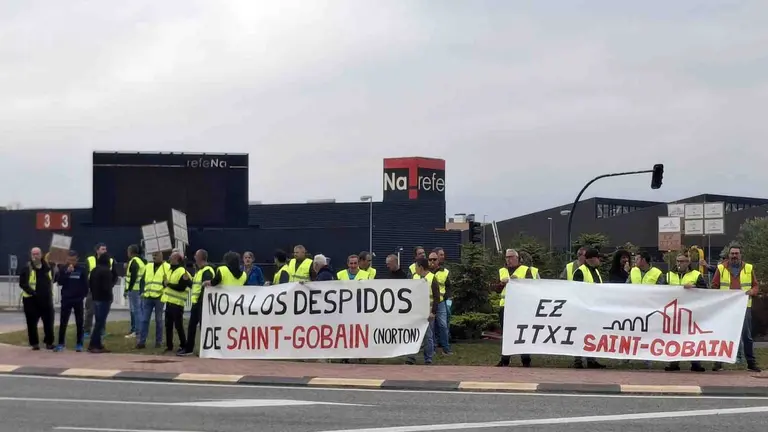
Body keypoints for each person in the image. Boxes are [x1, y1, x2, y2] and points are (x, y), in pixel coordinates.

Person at [711, 245, 762, 373]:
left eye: (736, 253)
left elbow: (756, 286)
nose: (734, 256)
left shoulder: (748, 268)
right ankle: (718, 363)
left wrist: (752, 291)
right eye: (732, 253)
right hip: (725, 308)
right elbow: (714, 285)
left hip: (744, 307)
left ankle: (751, 363)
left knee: (747, 336)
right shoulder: (721, 268)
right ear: (728, 255)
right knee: (722, 334)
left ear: (741, 255)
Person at [496, 248, 539, 367]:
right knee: (506, 333)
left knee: (523, 332)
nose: (508, 259)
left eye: (511, 257)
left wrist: (520, 281)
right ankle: (505, 359)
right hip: (505, 306)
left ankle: (525, 359)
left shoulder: (526, 270)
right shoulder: (502, 271)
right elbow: (493, 288)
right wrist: (501, 284)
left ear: (517, 258)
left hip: (521, 306)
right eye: (507, 257)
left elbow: (533, 286)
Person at [665, 253, 707, 372]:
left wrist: (694, 287)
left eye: (682, 261)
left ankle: (695, 363)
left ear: (688, 262)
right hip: (674, 312)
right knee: (673, 337)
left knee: (692, 337)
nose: (679, 263)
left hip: (691, 312)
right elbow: (661, 290)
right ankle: (673, 363)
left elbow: (705, 291)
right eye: (678, 261)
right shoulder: (669, 275)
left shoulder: (696, 275)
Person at [571, 248, 606, 369]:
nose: (600, 260)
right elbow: (576, 292)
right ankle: (578, 360)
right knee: (580, 335)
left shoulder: (595, 271)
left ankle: (591, 360)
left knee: (592, 335)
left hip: (593, 309)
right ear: (591, 259)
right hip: (582, 309)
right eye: (598, 258)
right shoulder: (580, 272)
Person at [18, 247, 56, 350]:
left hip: (46, 299)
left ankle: (49, 342)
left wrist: (57, 269)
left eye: (37, 254)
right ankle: (34, 343)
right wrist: (33, 293)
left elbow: (54, 279)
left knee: (48, 322)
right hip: (31, 300)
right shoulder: (26, 268)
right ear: (31, 255)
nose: (35, 256)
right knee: (31, 323)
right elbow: (22, 284)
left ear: (41, 254)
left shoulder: (47, 266)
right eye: (33, 254)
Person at [179, 250, 214, 356]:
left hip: (201, 303)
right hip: (196, 303)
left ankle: (205, 349)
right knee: (192, 327)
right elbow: (195, 286)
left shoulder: (207, 271)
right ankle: (189, 349)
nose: (194, 257)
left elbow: (206, 289)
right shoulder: (200, 271)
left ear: (200, 257)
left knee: (203, 327)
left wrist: (200, 301)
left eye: (195, 255)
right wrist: (187, 281)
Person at [406, 257, 439, 365]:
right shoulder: (414, 277)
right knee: (412, 334)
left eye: (416, 266)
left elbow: (436, 297)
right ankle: (411, 357)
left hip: (427, 312)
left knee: (428, 336)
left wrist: (433, 312)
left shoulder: (432, 278)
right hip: (415, 311)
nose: (414, 268)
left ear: (421, 267)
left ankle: (428, 358)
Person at [55, 250, 88, 352]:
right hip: (66, 299)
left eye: (73, 260)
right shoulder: (63, 269)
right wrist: (67, 273)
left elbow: (85, 284)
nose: (71, 262)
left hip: (78, 299)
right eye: (69, 260)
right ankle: (60, 343)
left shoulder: (81, 269)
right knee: (63, 321)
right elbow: (59, 282)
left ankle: (79, 344)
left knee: (79, 322)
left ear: (77, 259)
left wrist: (82, 296)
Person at [136, 252, 170, 350]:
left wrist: (166, 284)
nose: (154, 257)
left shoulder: (166, 267)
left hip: (159, 296)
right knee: (144, 320)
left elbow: (169, 282)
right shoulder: (148, 266)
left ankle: (158, 342)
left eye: (156, 255)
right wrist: (142, 292)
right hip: (148, 296)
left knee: (158, 320)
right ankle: (141, 342)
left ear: (161, 256)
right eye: (153, 255)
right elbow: (143, 280)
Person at [84, 243, 117, 339]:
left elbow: (115, 275)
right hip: (92, 290)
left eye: (105, 249)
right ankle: (86, 330)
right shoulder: (90, 260)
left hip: (106, 291)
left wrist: (111, 285)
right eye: (102, 249)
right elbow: (86, 275)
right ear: (97, 250)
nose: (105, 251)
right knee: (89, 311)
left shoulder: (111, 261)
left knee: (103, 312)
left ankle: (102, 330)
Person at [161, 251, 192, 354]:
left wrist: (168, 284)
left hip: (177, 304)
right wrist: (165, 283)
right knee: (168, 325)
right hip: (169, 302)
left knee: (178, 326)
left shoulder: (182, 272)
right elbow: (166, 283)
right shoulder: (170, 270)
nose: (169, 258)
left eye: (172, 257)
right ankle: (169, 345)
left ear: (177, 259)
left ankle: (183, 344)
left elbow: (181, 287)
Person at [88, 253, 115, 353]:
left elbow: (89, 283)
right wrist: (110, 297)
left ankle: (98, 344)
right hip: (104, 299)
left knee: (98, 321)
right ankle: (93, 344)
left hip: (95, 298)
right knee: (100, 323)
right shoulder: (107, 271)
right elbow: (107, 287)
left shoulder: (95, 270)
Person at [430, 250, 453, 355]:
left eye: (434, 259)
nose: (432, 261)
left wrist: (447, 298)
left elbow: (448, 286)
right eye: (430, 259)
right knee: (431, 327)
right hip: (429, 303)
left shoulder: (445, 272)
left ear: (438, 260)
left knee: (443, 325)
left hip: (440, 302)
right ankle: (433, 348)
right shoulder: (426, 272)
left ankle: (446, 349)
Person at [124, 244, 146, 339]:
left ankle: (137, 331)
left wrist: (128, 289)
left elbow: (133, 277)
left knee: (136, 311)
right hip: (139, 289)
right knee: (138, 310)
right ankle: (138, 330)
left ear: (130, 252)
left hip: (134, 289)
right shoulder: (141, 261)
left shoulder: (134, 261)